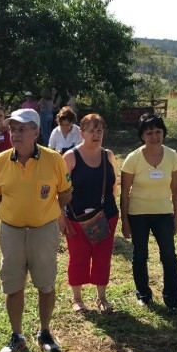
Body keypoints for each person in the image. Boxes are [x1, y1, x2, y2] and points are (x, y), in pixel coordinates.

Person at [0, 108, 73, 352]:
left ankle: (45, 332)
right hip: (11, 231)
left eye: (22, 129)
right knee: (13, 285)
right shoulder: (0, 161)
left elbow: (66, 193)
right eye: (12, 129)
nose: (15, 134)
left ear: (36, 131)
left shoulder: (54, 159)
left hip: (44, 231)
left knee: (45, 284)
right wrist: (15, 213)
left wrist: (45, 212)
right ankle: (17, 335)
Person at [120, 113, 177, 311]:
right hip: (138, 214)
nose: (154, 136)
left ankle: (172, 299)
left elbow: (176, 189)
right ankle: (143, 294)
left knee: (169, 256)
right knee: (140, 255)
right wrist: (125, 221)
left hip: (163, 213)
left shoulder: (172, 156)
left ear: (163, 133)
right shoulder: (132, 159)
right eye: (149, 133)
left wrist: (175, 217)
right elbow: (124, 193)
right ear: (142, 136)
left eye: (158, 131)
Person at [61, 113, 119, 313]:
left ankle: (102, 298)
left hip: (106, 216)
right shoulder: (70, 157)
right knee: (78, 257)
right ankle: (77, 299)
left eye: (100, 130)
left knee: (103, 257)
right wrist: (61, 217)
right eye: (91, 130)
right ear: (81, 132)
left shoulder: (108, 155)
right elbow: (59, 189)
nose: (96, 134)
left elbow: (114, 187)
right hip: (77, 218)